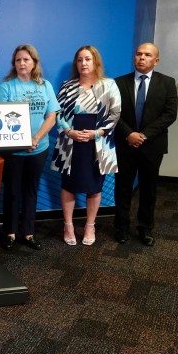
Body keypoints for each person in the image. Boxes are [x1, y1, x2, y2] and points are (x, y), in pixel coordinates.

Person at [51, 45, 121, 245]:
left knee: (94, 187)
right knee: (68, 185)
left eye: (88, 59)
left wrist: (97, 133)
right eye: (80, 59)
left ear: (96, 61)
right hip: (71, 142)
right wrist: (69, 131)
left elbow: (115, 114)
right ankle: (68, 225)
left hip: (97, 143)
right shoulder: (67, 85)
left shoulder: (109, 85)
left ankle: (90, 225)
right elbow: (57, 113)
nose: (83, 63)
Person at [0, 44, 59, 250]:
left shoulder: (44, 85)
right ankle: (10, 233)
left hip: (39, 148)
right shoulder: (6, 87)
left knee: (31, 191)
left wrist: (36, 138)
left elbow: (52, 116)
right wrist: (21, 142)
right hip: (13, 151)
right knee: (12, 191)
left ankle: (28, 233)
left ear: (34, 63)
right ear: (14, 63)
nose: (22, 63)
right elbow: (0, 119)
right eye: (18, 60)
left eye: (26, 60)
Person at [113, 43, 178, 246]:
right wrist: (129, 134)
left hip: (152, 146)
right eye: (139, 54)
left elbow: (170, 114)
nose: (142, 57)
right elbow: (112, 112)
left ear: (155, 60)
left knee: (149, 189)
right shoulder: (118, 83)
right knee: (122, 187)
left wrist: (143, 136)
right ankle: (121, 227)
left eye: (147, 55)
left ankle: (145, 228)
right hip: (125, 144)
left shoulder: (167, 83)